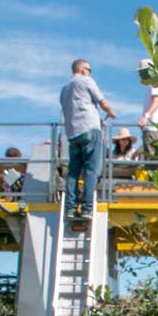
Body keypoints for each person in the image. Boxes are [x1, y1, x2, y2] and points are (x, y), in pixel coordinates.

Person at [60, 58, 116, 219]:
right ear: (83, 70)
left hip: (72, 132)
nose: (90, 72)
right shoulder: (86, 81)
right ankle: (87, 208)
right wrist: (111, 113)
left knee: (73, 171)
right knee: (91, 170)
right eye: (89, 69)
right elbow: (102, 102)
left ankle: (70, 208)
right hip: (90, 129)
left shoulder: (64, 89)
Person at [136, 59, 158, 159]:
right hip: (154, 129)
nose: (139, 75)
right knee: (155, 159)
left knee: (152, 161)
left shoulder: (155, 84)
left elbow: (156, 102)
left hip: (153, 128)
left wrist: (145, 117)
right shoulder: (156, 85)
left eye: (141, 72)